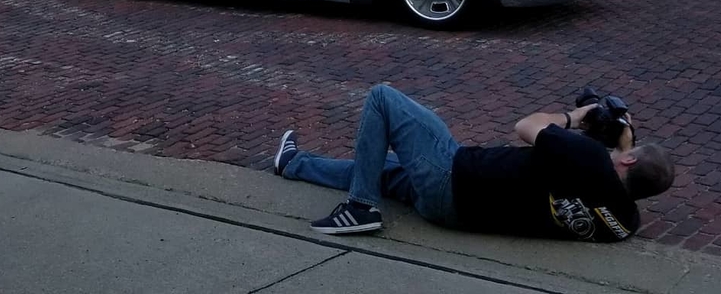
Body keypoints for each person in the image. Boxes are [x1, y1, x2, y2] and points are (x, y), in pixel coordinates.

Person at [273, 83, 674, 241]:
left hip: (452, 176)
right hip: (456, 215)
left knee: (383, 98)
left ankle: (360, 207)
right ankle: (294, 163)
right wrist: (626, 144)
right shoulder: (624, 223)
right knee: (382, 169)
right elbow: (609, 177)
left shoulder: (586, 157)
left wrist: (577, 117)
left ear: (628, 160)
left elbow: (527, 126)